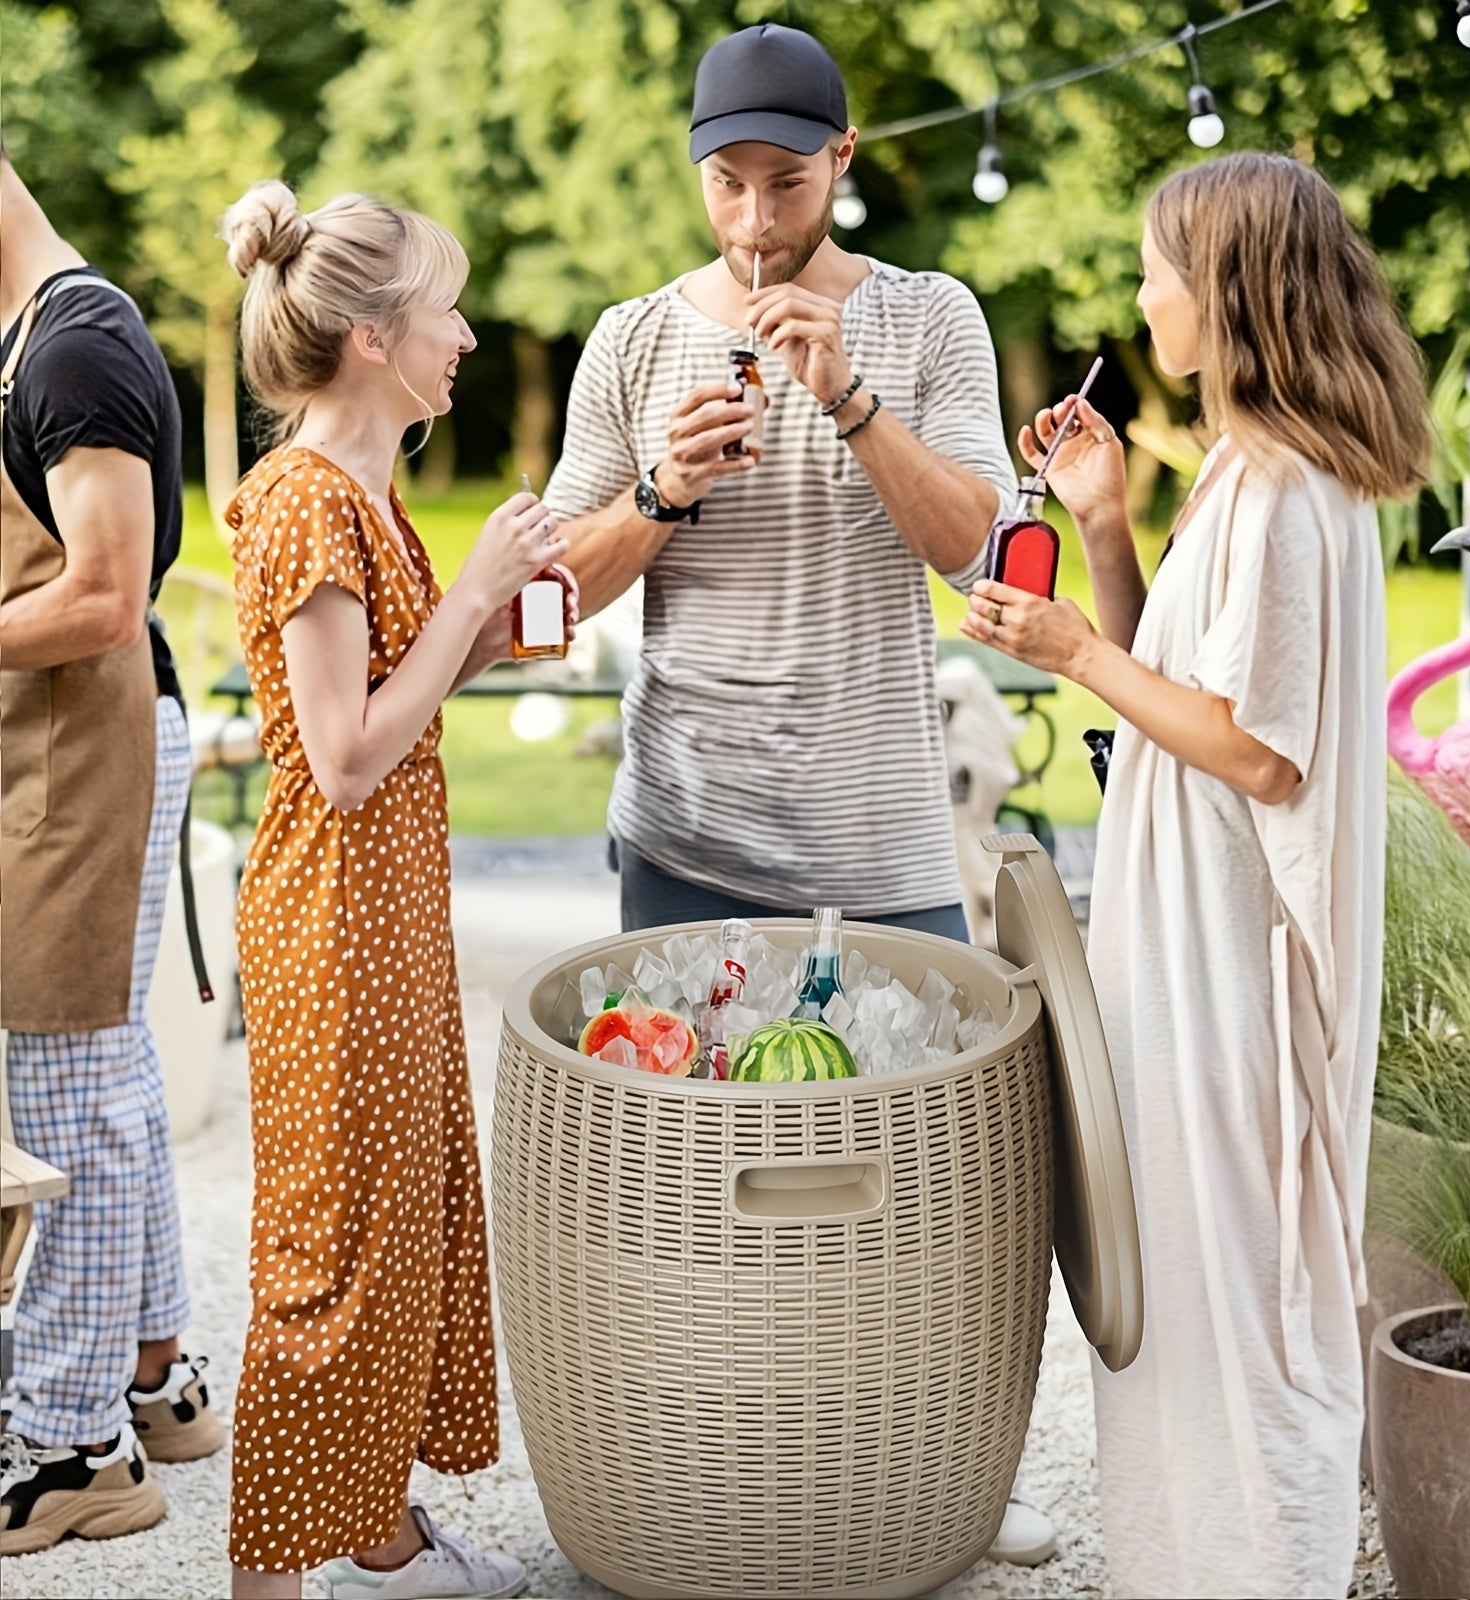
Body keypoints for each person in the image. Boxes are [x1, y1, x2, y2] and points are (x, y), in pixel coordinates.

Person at [962, 151, 1431, 1598]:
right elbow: (1175, 691)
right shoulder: (1240, 472)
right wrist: (1103, 529)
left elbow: (1262, 753)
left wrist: (1073, 653)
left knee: (1239, 1304)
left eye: (1162, 267)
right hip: (1187, 949)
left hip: (1234, 967)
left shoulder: (1286, 489)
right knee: (1182, 1291)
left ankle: (1254, 1574)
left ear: (1223, 291)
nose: (1145, 292)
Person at [218, 180, 573, 1600]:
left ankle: (378, 1532)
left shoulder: (361, 491)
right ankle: (271, 1581)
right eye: (448, 308)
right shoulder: (308, 502)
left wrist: (487, 622)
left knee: (400, 1222)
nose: (471, 336)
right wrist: (477, 581)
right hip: (332, 925)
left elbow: (391, 701)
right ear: (373, 336)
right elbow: (349, 755)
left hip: (384, 923)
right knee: (332, 1258)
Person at [544, 22, 1016, 945]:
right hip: (684, 841)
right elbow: (553, 596)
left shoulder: (931, 314)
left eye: (787, 184)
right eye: (728, 183)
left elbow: (981, 558)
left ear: (842, 157)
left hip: (884, 850)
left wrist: (848, 397)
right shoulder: (630, 337)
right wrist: (665, 487)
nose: (755, 221)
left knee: (902, 1096)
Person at [0, 142, 222, 1555]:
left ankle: (71, 1447)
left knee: (69, 1086)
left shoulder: (75, 351)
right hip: (59, 750)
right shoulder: (26, 343)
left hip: (94, 752)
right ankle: (155, 1377)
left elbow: (100, 593)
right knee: (106, 1072)